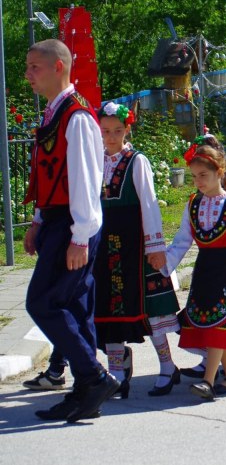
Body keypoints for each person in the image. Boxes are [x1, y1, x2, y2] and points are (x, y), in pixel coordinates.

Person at [23, 39, 120, 422]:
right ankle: (86, 393)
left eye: (35, 67)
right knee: (76, 308)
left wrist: (80, 237)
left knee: (43, 303)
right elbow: (48, 174)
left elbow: (84, 179)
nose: (28, 74)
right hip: (57, 219)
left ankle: (94, 377)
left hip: (74, 223)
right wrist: (37, 220)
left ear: (59, 67)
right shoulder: (54, 112)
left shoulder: (77, 116)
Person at [92, 102, 181, 398]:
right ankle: (116, 373)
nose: (111, 137)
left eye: (118, 130)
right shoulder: (95, 160)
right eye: (105, 131)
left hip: (136, 246)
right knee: (108, 308)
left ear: (127, 129)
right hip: (105, 247)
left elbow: (149, 203)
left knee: (150, 310)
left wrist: (156, 247)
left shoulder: (135, 160)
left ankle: (167, 366)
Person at [163, 145, 226, 400]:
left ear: (220, 172)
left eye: (203, 175)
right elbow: (182, 240)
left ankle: (208, 381)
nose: (198, 181)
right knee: (213, 323)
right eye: (194, 176)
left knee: (219, 326)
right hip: (204, 270)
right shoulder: (193, 204)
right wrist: (164, 264)